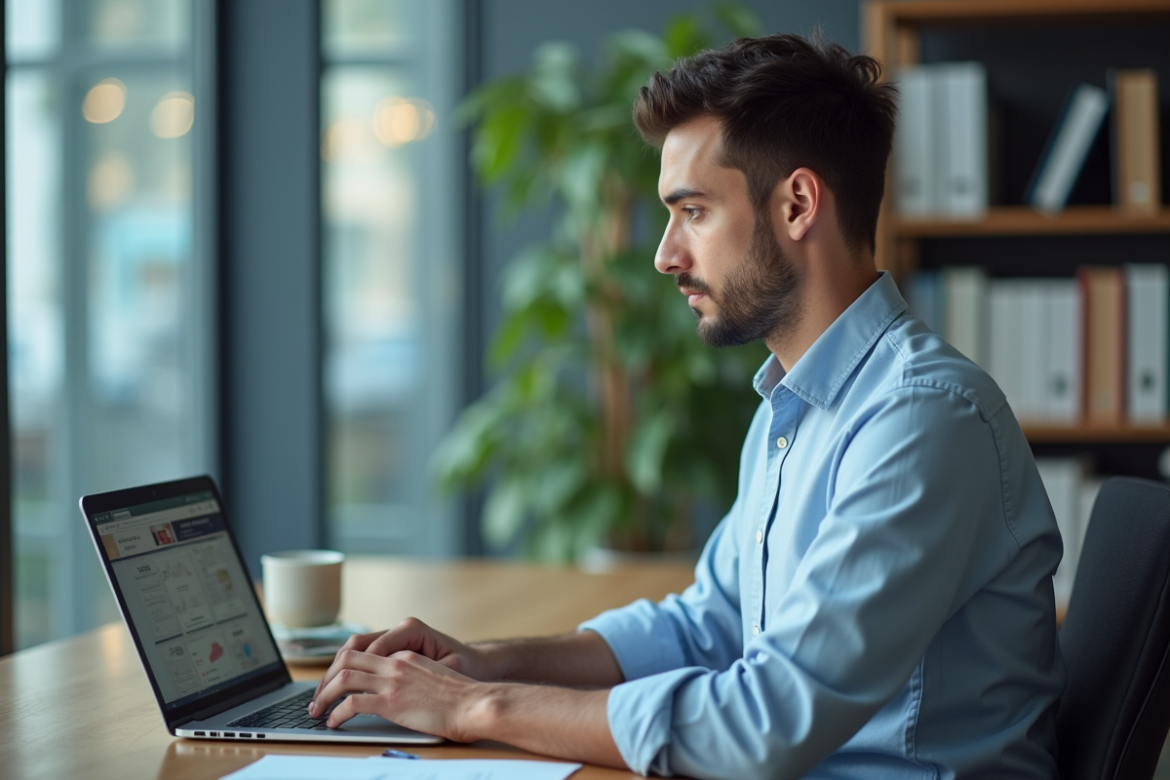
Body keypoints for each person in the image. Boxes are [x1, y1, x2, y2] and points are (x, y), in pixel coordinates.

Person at [308, 32, 1065, 780]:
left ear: (798, 203)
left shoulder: (921, 419)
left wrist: (477, 708)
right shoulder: (791, 406)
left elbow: (761, 725)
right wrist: (481, 664)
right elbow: (709, 626)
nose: (667, 254)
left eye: (693, 211)